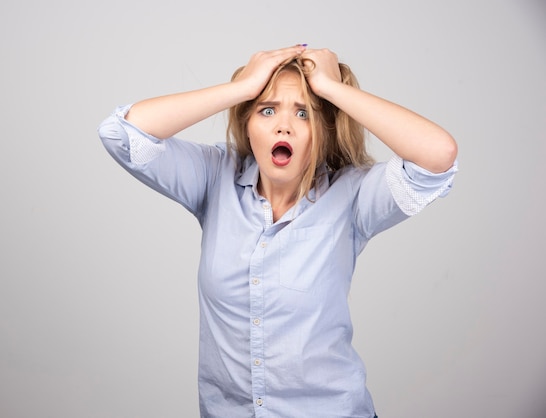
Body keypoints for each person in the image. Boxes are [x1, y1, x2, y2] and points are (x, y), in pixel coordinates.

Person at [98, 44, 458, 418]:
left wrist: (334, 89)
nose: (283, 125)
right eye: (267, 110)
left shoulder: (352, 197)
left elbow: (438, 156)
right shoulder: (214, 176)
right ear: (248, 125)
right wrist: (242, 88)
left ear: (324, 130)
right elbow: (121, 134)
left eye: (303, 113)